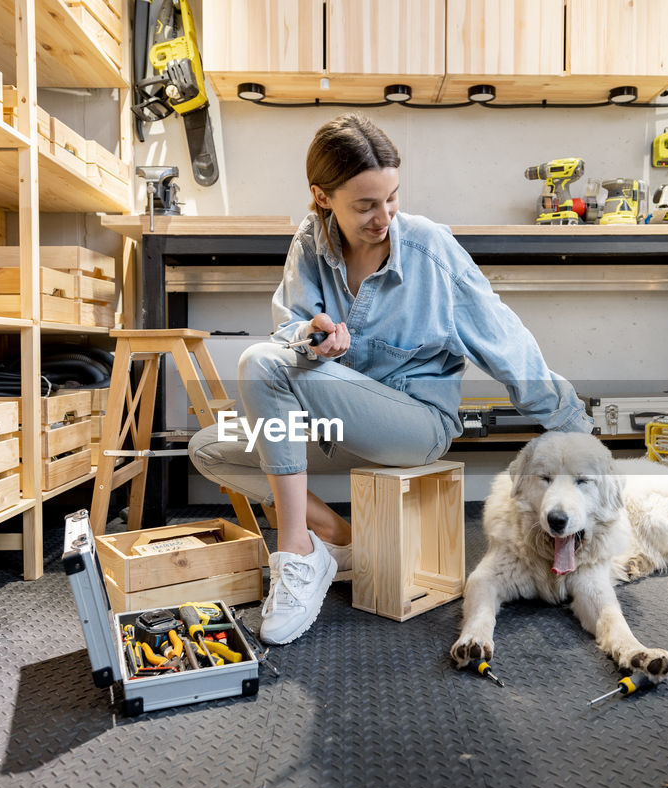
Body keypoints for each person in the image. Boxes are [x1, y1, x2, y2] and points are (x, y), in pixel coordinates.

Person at [189, 112, 593, 646]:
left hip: (415, 424)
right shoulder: (310, 243)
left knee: (259, 364)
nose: (384, 216)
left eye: (392, 198)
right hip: (338, 425)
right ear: (321, 197)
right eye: (365, 205)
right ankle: (337, 538)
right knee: (211, 449)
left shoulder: (430, 249)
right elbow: (290, 326)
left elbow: (507, 345)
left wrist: (577, 433)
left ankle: (297, 554)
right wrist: (310, 337)